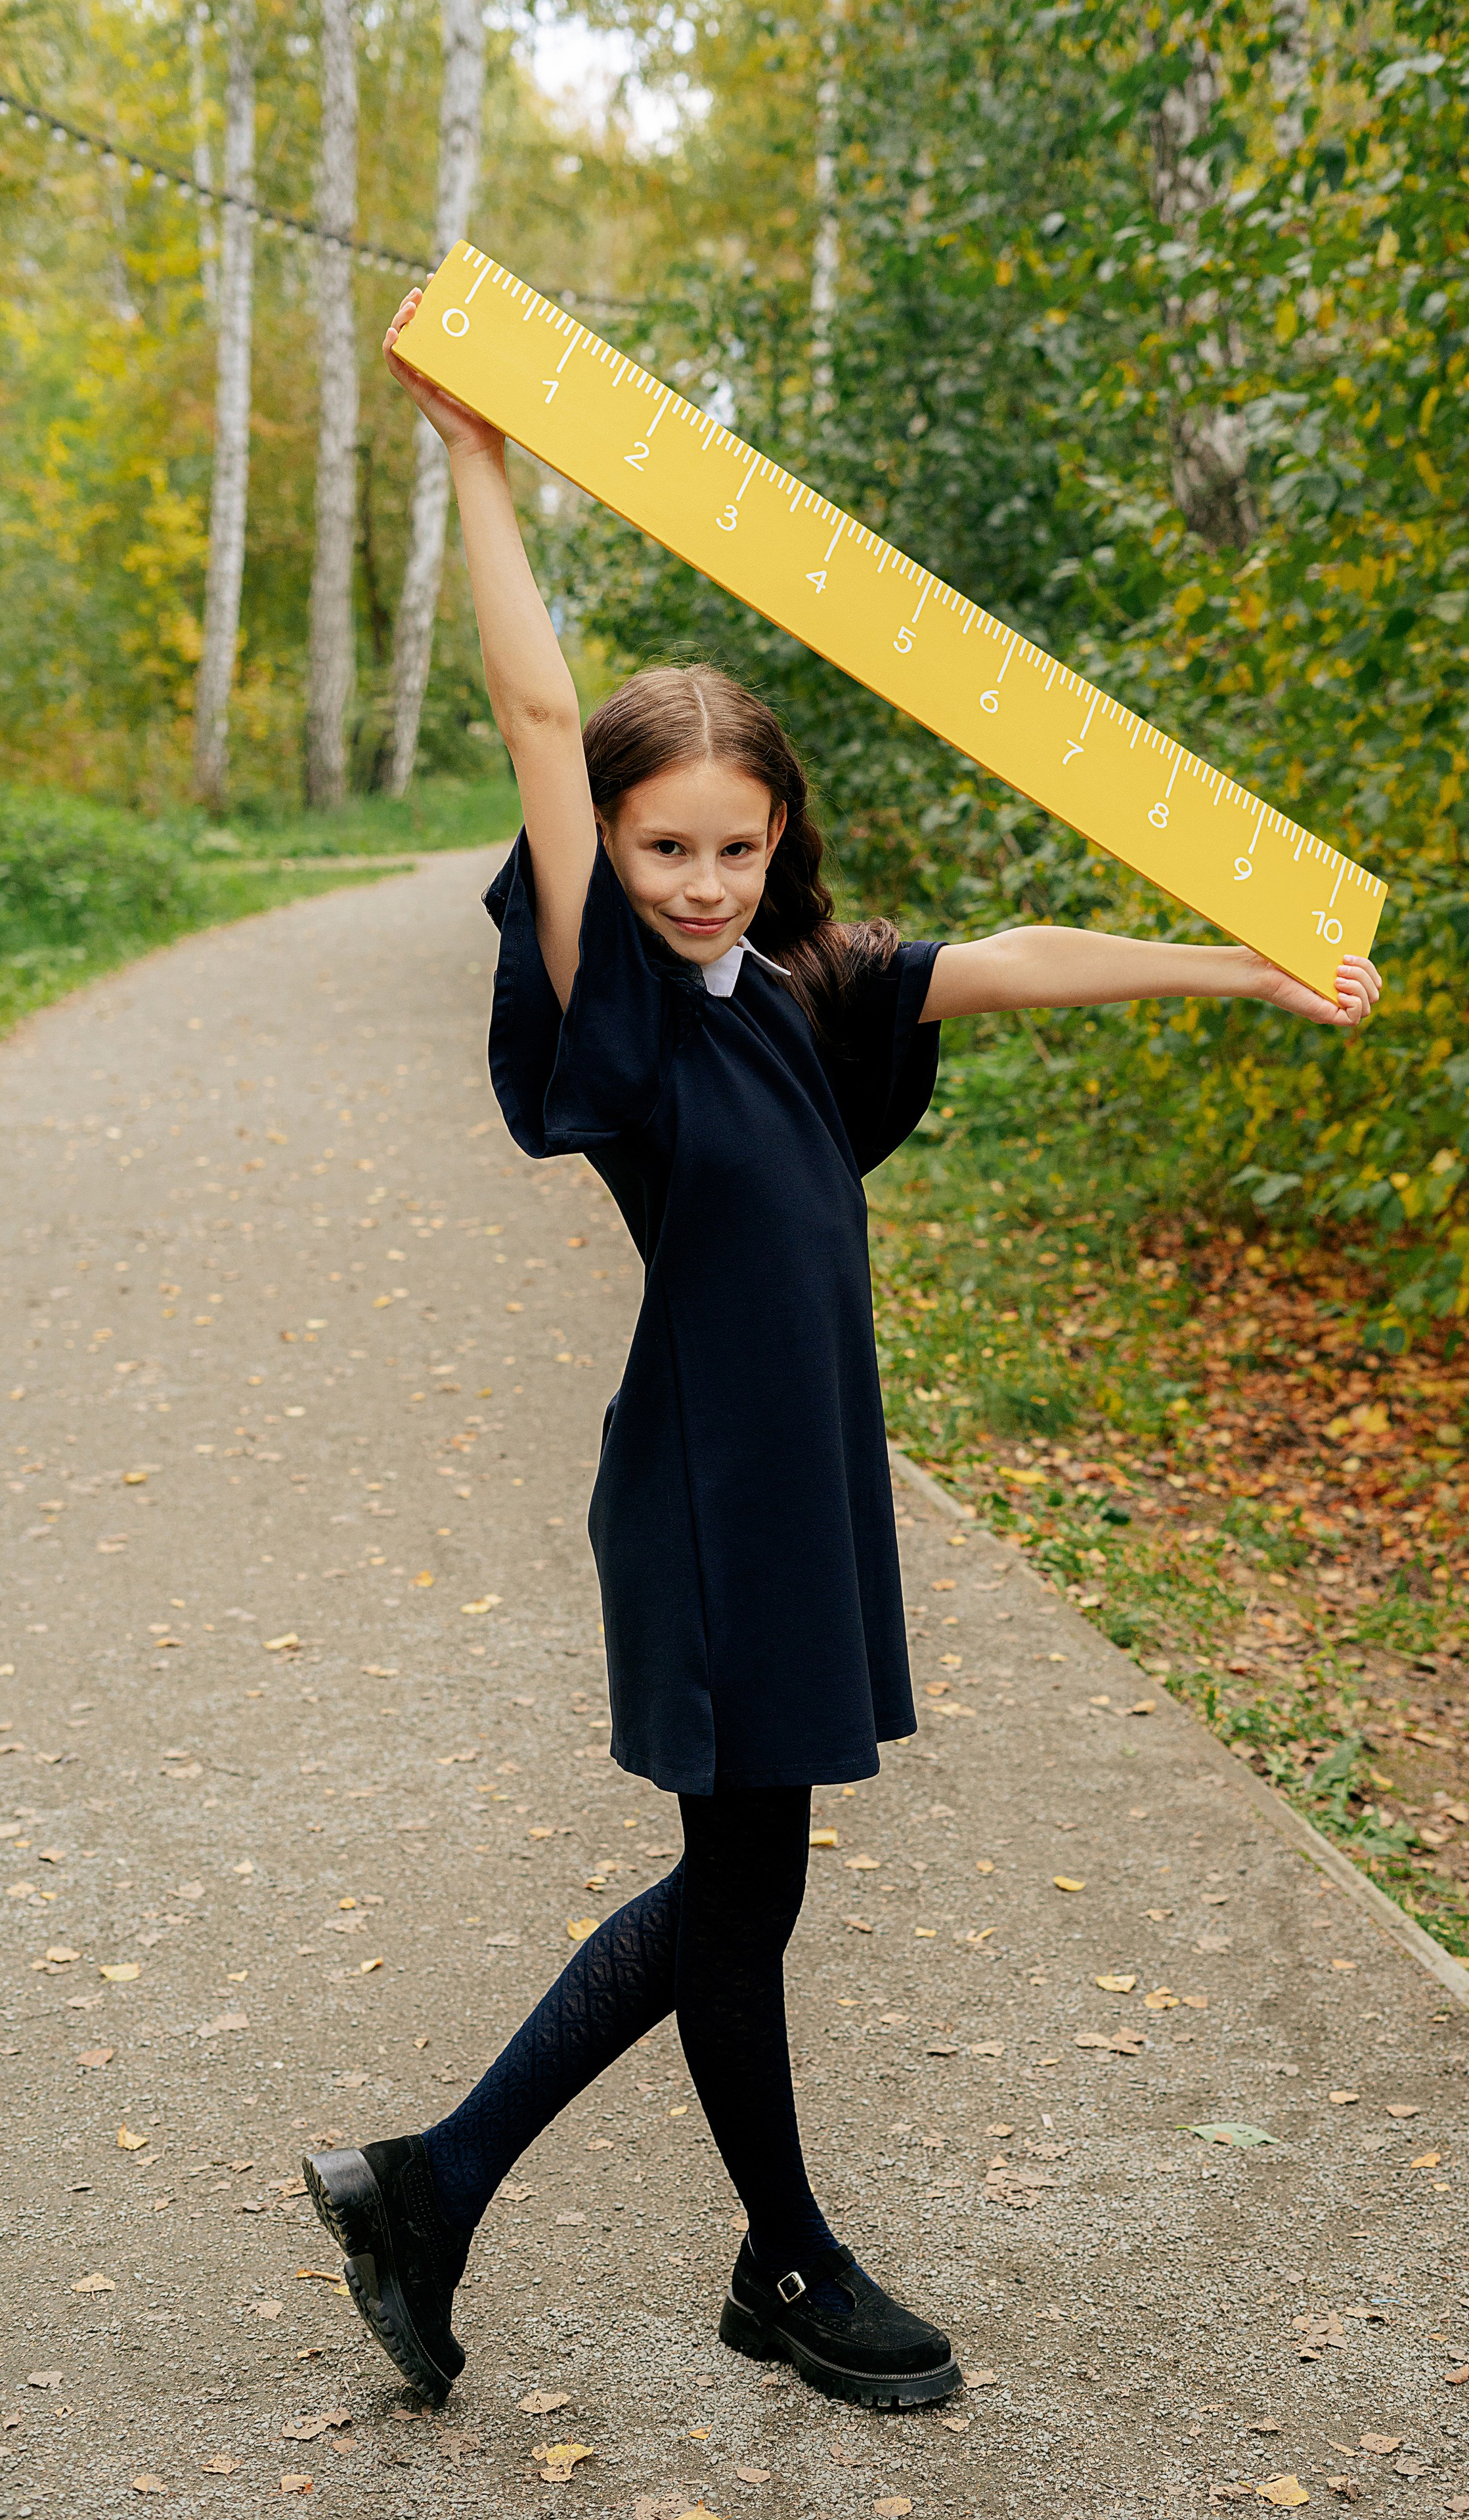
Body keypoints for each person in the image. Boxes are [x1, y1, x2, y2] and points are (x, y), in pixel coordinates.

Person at [303, 286, 1382, 2411]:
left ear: (780, 842)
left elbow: (1013, 961)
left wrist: (1237, 968)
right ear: (606, 857)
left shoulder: (807, 991)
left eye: (738, 844)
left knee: (744, 1878)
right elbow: (538, 721)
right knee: (743, 1878)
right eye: (663, 847)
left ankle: (435, 2187)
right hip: (709, 1495)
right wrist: (477, 465)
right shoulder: (615, 1013)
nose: (704, 881)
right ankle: (767, 2261)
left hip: (802, 1491)